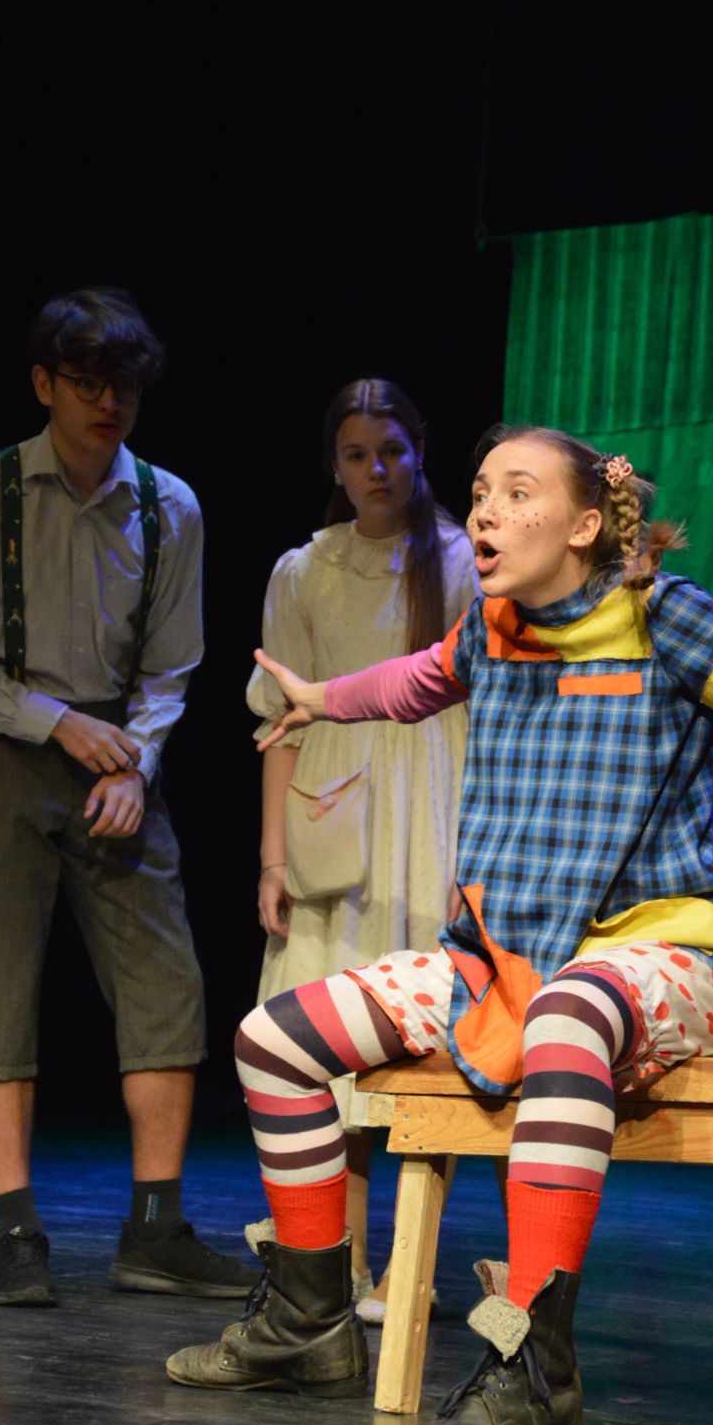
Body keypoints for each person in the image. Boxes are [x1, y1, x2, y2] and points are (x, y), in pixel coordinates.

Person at [166, 422, 713, 1425]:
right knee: (276, 1038)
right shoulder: (488, 630)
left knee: (569, 1013)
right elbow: (407, 684)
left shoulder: (666, 618)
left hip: (662, 954)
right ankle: (307, 1323)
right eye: (481, 490)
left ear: (583, 525)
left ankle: (533, 1377)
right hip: (502, 957)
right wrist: (319, 700)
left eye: (517, 492)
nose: (485, 510)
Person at [0, 287, 257, 1307]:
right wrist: (55, 723)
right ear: (44, 384)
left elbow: (172, 665)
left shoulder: (169, 504)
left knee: (166, 984)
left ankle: (156, 1228)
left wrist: (134, 763)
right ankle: (16, 1231)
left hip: (118, 756)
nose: (109, 403)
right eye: (87, 384)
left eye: (125, 388)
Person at [246, 378, 478, 1313]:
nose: (376, 469)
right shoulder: (302, 571)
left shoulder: (462, 561)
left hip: (434, 806)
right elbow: (278, 724)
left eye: (391, 450)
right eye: (356, 454)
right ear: (334, 467)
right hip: (332, 809)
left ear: (419, 452)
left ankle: (405, 1268)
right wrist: (272, 858)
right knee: (317, 1041)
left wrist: (481, 856)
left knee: (430, 1048)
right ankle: (330, 1262)